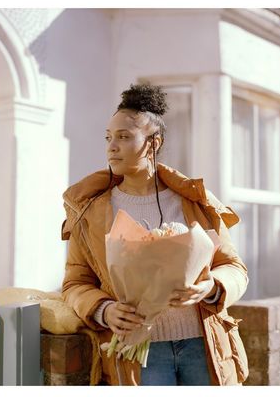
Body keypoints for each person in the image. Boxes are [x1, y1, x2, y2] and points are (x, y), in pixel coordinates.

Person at [61, 83, 249, 386]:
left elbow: (234, 267)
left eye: (123, 137)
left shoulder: (195, 202)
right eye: (109, 137)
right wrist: (104, 311)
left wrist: (212, 286)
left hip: (204, 345)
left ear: (153, 143)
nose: (111, 146)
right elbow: (75, 283)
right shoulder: (90, 213)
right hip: (140, 354)